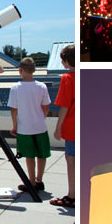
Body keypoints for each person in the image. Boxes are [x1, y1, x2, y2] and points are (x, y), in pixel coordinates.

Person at [7, 57, 52, 192]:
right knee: (42, 154)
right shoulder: (41, 86)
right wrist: (41, 117)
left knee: (29, 155)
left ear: (20, 70)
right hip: (40, 125)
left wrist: (14, 125)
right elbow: (46, 106)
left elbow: (14, 109)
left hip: (24, 127)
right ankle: (39, 179)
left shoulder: (16, 88)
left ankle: (31, 181)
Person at [51, 45, 75, 208]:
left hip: (72, 126)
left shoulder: (67, 78)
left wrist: (58, 127)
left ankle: (72, 195)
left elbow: (64, 105)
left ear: (66, 61)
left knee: (71, 159)